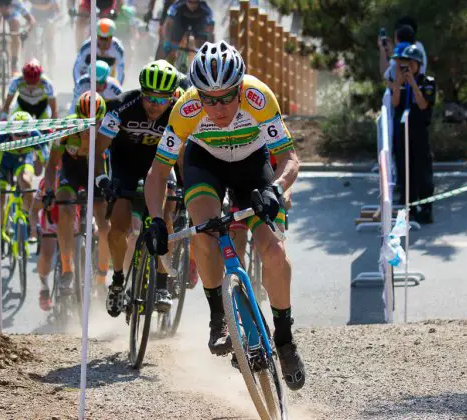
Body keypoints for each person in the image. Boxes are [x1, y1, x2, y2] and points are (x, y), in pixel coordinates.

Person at [143, 41, 305, 391]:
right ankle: (219, 316)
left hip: (252, 166)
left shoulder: (259, 98)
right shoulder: (185, 109)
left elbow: (289, 158)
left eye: (226, 98)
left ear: (240, 88)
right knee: (203, 231)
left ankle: (285, 338)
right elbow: (157, 173)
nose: (217, 108)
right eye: (208, 99)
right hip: (206, 165)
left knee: (274, 252)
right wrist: (156, 219)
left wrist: (276, 189)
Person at [95, 60, 182, 317]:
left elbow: (183, 156)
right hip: (125, 166)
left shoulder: (178, 113)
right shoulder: (121, 107)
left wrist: (186, 187)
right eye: (149, 98)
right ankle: (119, 281)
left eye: (161, 99)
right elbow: (98, 150)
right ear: (141, 93)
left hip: (159, 166)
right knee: (119, 226)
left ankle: (162, 284)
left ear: (172, 97)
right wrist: (102, 179)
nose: (155, 105)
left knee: (165, 219)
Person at [42, 92, 111, 295]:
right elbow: (51, 164)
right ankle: (66, 269)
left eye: (95, 122)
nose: (89, 127)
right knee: (65, 209)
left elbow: (114, 163)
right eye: (84, 121)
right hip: (70, 172)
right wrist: (48, 190)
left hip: (95, 171)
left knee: (105, 226)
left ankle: (101, 276)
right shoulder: (65, 127)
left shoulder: (107, 130)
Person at [389, 44, 436, 224]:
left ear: (418, 64)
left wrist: (413, 84)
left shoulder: (427, 82)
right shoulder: (401, 82)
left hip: (419, 132)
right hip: (403, 133)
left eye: (410, 63)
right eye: (404, 63)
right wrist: (399, 83)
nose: (407, 67)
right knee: (404, 171)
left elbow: (423, 105)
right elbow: (395, 103)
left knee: (422, 172)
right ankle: (410, 208)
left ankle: (426, 209)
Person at [0, 111, 42, 245]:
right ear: (10, 132)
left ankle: (29, 220)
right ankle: (0, 231)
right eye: (17, 135)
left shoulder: (36, 135)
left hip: (23, 160)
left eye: (25, 135)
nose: (21, 139)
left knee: (25, 182)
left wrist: (41, 162)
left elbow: (42, 164)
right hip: (4, 163)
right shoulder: (1, 136)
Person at [33, 174, 81, 310]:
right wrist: (32, 226)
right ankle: (44, 288)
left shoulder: (78, 176)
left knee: (80, 247)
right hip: (51, 221)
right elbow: (34, 208)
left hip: (71, 219)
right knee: (47, 254)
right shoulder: (46, 183)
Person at [0, 0, 37, 74]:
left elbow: (31, 20)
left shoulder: (16, 3)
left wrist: (26, 31)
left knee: (15, 27)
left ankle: (14, 63)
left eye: (5, 8)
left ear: (9, 5)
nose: (3, 10)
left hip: (12, 16)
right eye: (0, 8)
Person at [72, 18, 126, 86]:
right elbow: (76, 68)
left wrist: (118, 88)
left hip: (107, 78)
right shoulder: (87, 46)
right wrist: (78, 85)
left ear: (112, 37)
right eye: (101, 38)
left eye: (107, 39)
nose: (104, 42)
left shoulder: (118, 49)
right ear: (97, 36)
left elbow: (121, 71)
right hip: (88, 76)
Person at [25, 0, 62, 70]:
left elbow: (57, 11)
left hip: (49, 18)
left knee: (49, 42)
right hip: (35, 17)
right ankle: (28, 62)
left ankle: (50, 67)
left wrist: (56, 19)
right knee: (29, 38)